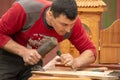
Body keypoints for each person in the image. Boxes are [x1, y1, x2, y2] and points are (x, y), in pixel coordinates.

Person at [0, 0, 96, 80]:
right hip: (6, 56)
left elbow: (90, 50)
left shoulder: (71, 23)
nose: (68, 30)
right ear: (50, 14)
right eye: (64, 25)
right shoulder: (24, 10)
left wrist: (76, 62)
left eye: (72, 24)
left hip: (34, 61)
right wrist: (23, 51)